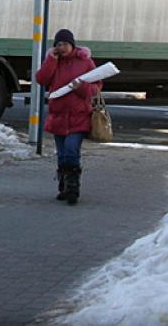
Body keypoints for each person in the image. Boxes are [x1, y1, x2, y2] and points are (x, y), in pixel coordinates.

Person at [34, 28, 99, 205]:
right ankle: (63, 186)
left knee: (71, 150)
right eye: (58, 44)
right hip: (58, 117)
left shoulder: (85, 62)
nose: (62, 48)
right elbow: (41, 79)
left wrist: (82, 87)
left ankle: (73, 188)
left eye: (65, 44)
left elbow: (96, 87)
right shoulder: (54, 61)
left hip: (79, 117)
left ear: (72, 44)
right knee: (62, 154)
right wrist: (51, 61)